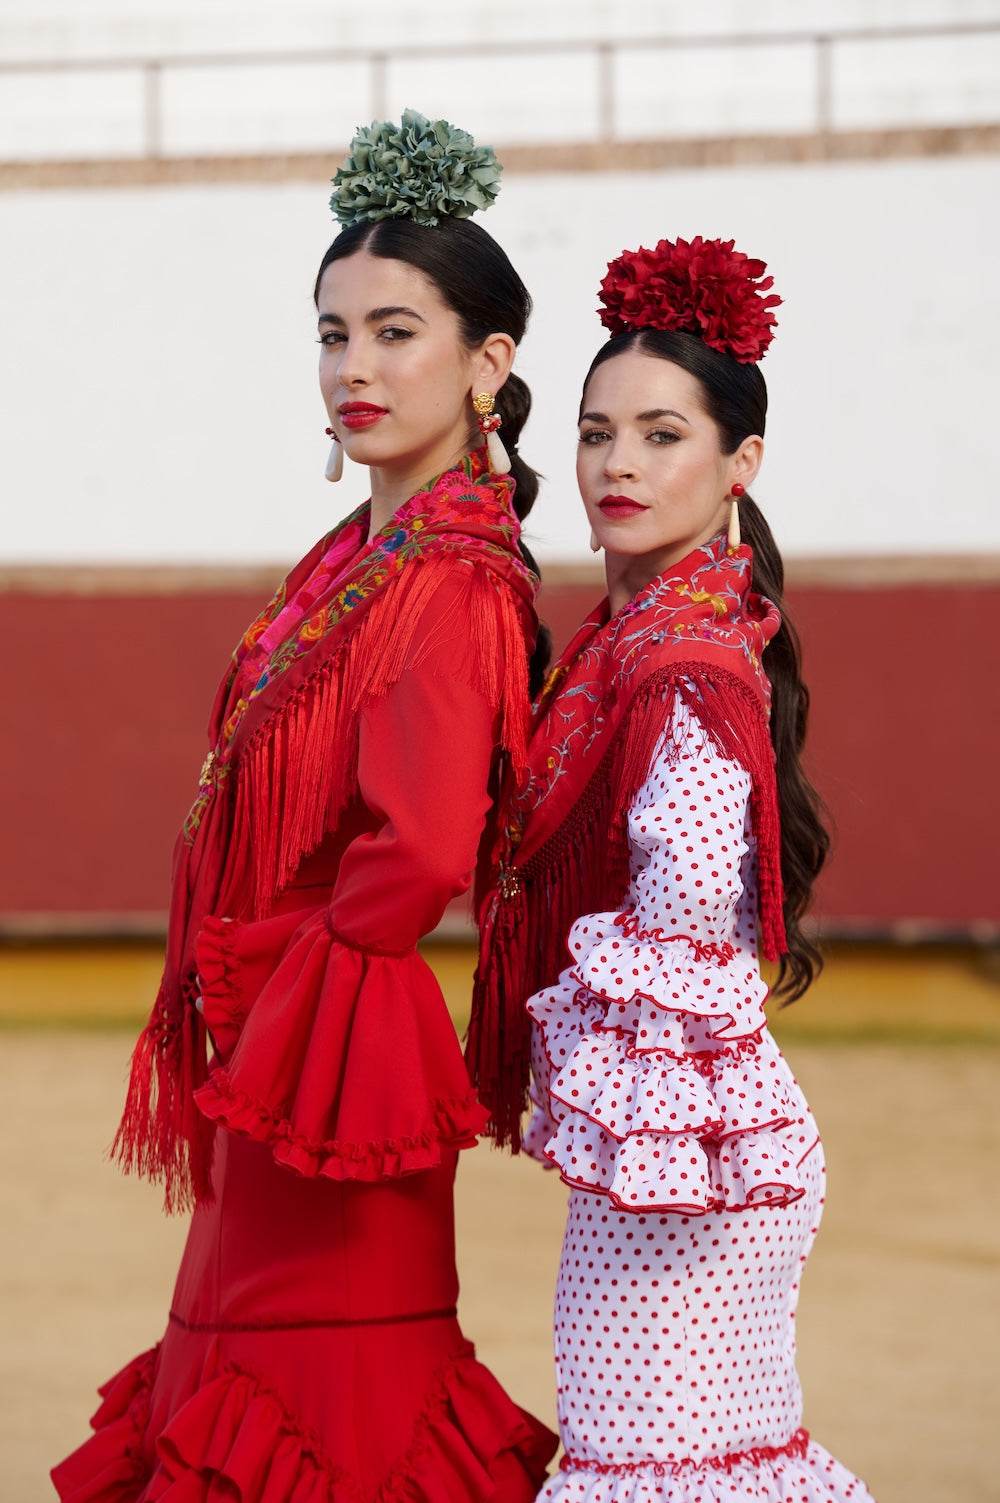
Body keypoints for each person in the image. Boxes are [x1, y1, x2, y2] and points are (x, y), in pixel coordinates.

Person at [53, 111, 557, 1503]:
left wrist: (274, 994)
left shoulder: (446, 574)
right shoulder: (360, 552)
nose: (354, 368)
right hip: (275, 1034)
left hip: (322, 1058)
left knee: (319, 1404)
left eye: (396, 332)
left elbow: (421, 850)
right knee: (254, 1379)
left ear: (488, 363)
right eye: (333, 335)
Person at [469, 236, 875, 1500]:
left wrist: (642, 1130)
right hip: (683, 1151)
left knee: (652, 1469)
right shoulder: (642, 632)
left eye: (661, 435)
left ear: (739, 462)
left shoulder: (679, 665)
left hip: (686, 1160)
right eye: (596, 434)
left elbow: (689, 911)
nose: (618, 466)